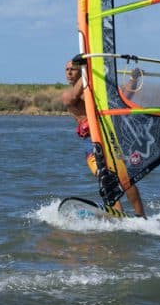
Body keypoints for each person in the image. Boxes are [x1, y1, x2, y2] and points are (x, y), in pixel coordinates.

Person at [62, 54, 145, 218]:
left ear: (80, 72)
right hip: (91, 144)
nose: (69, 73)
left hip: (109, 139)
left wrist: (134, 79)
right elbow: (71, 98)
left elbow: (124, 97)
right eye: (67, 70)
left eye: (73, 69)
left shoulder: (98, 93)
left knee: (124, 178)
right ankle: (117, 214)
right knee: (105, 179)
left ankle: (141, 216)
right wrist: (88, 70)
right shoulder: (68, 94)